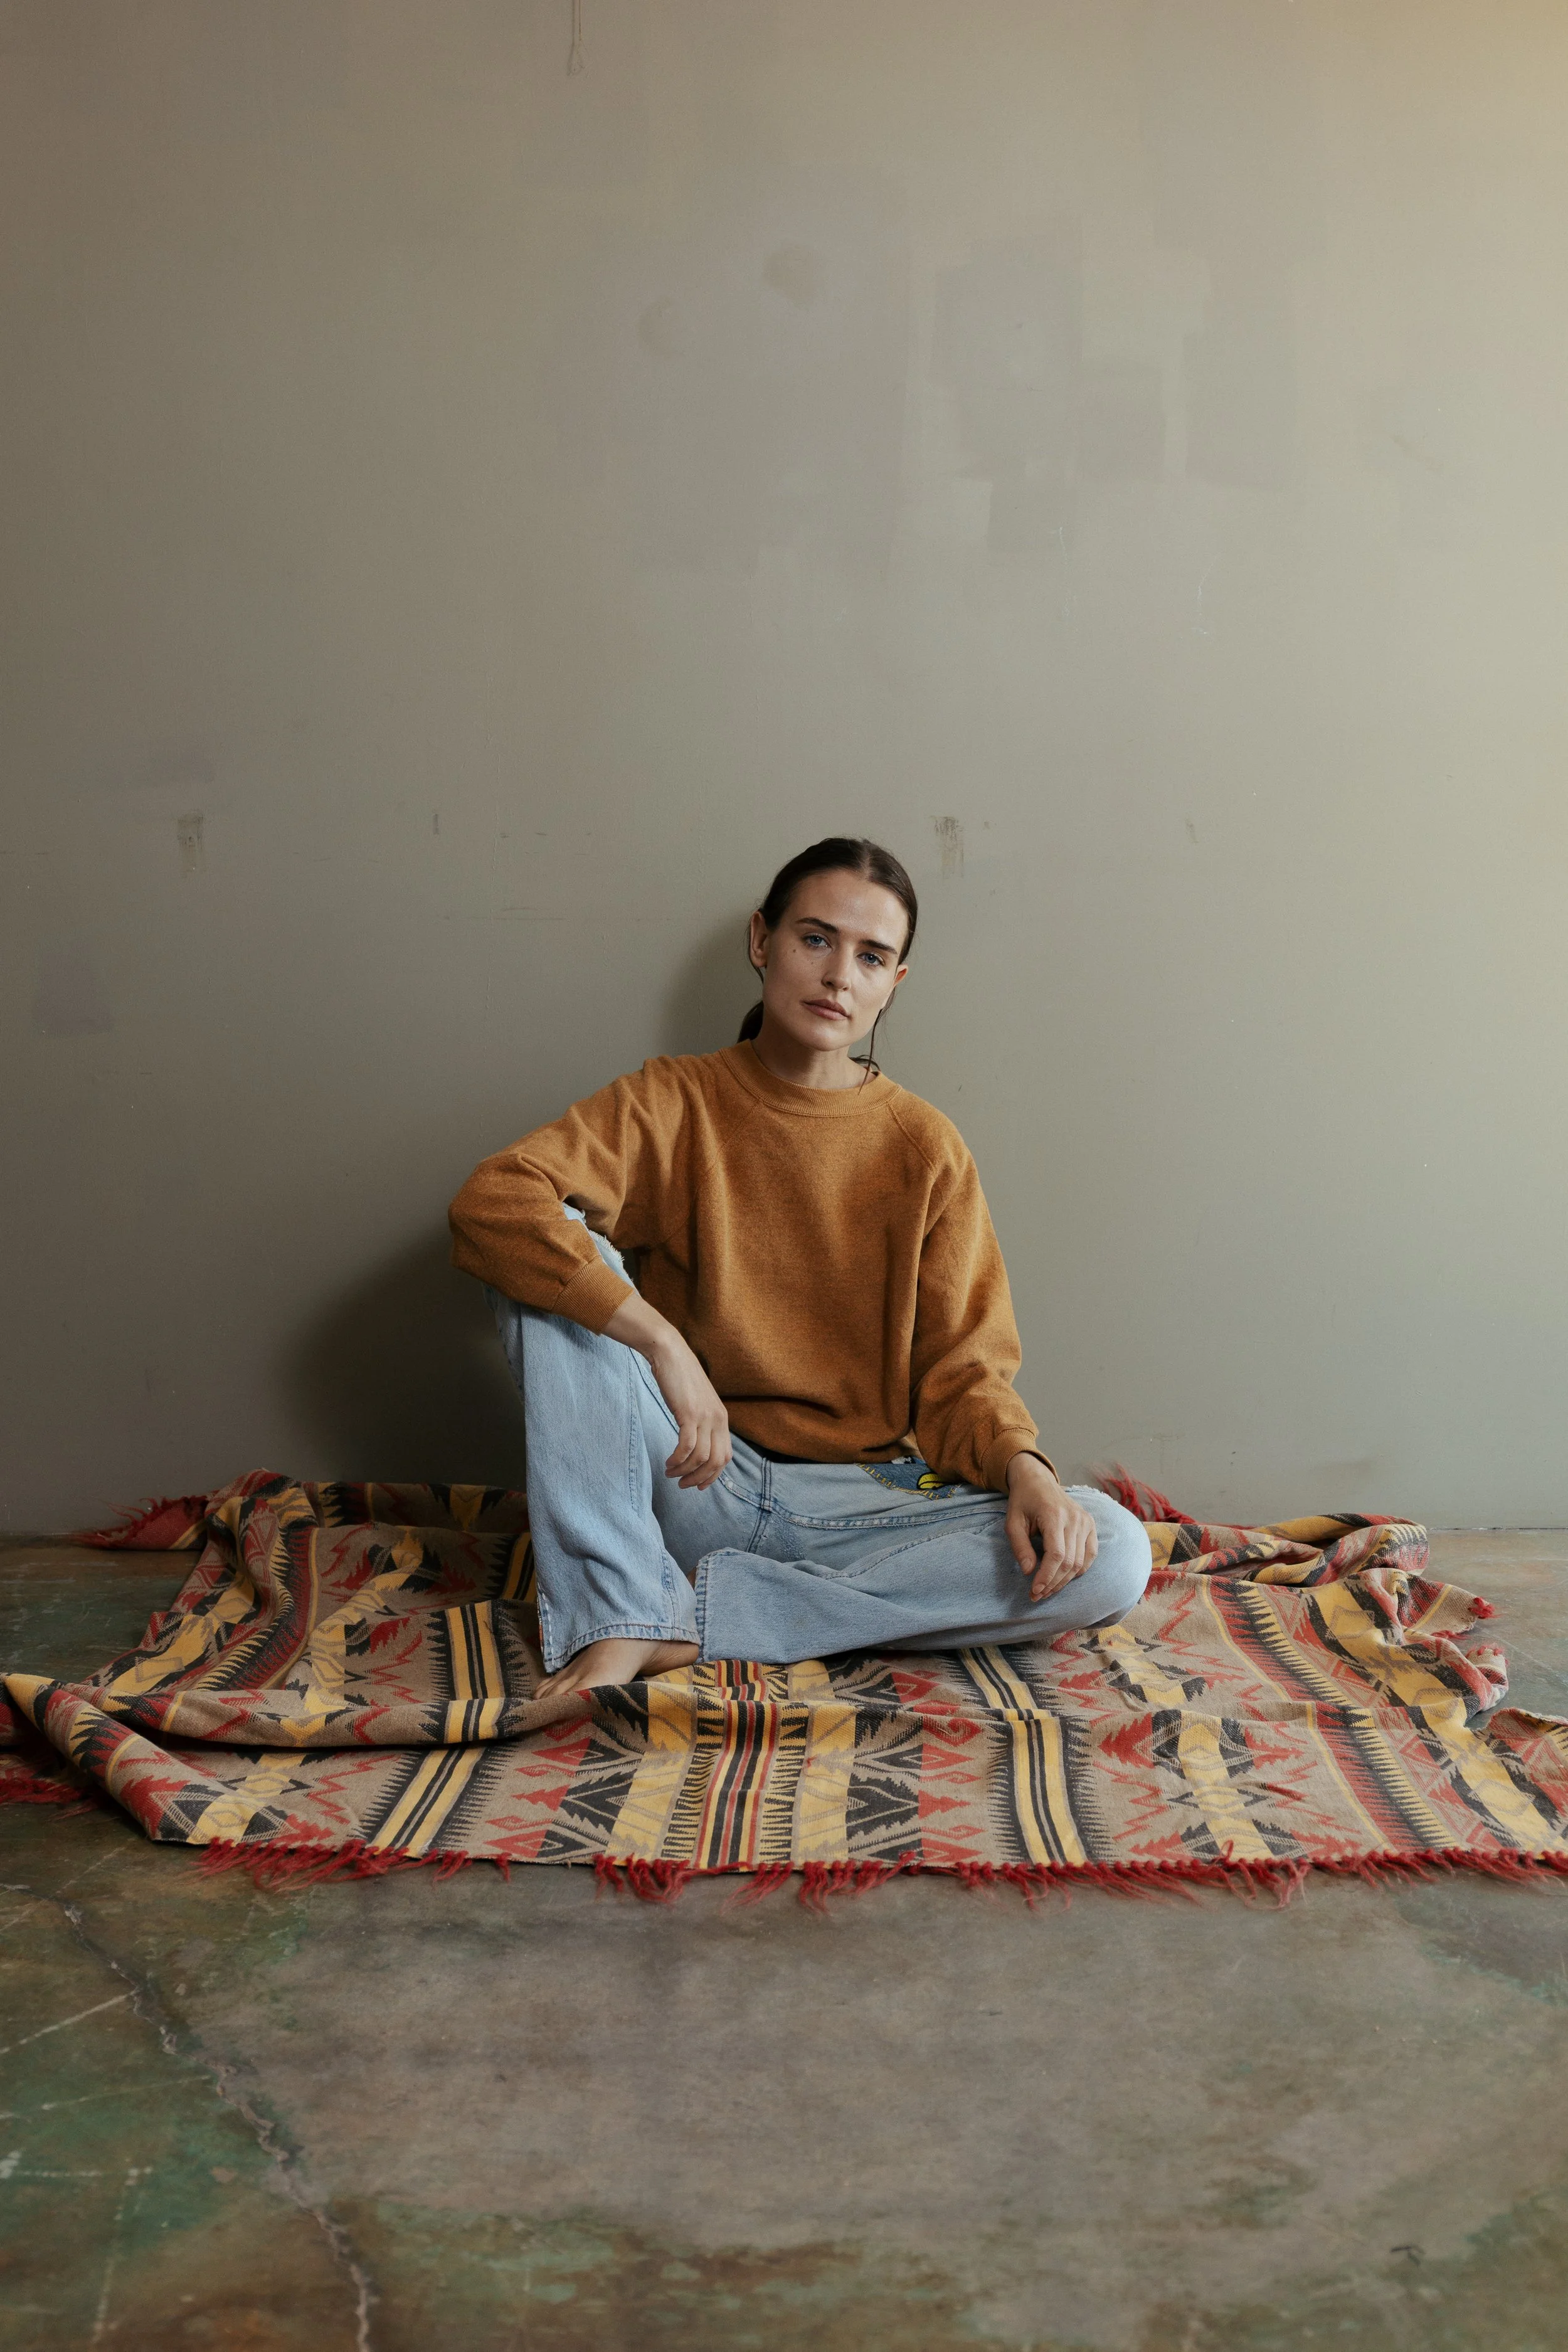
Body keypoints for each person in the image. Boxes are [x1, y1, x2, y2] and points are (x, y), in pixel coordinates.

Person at [449, 836, 1150, 1699]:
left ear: (896, 981)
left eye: (871, 956)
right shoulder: (674, 1100)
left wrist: (1027, 1469)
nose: (838, 975)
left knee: (1115, 1550)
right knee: (549, 1254)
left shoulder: (925, 1148)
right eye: (815, 939)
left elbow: (963, 1372)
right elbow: (494, 1201)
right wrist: (663, 1342)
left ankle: (695, 1620)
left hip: (868, 1499)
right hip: (695, 1475)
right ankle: (626, 1608)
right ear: (762, 942)